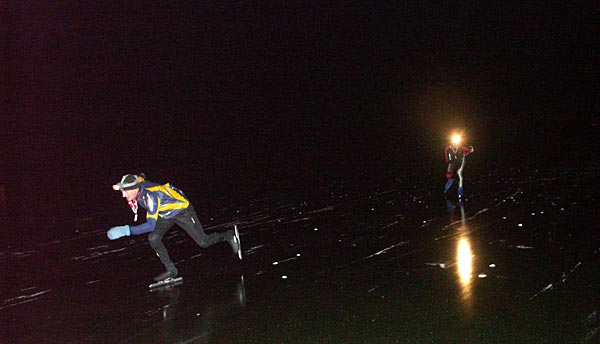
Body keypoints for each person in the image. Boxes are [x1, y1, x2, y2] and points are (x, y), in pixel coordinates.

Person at [108, 174, 241, 282]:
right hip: (165, 213)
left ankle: (228, 235)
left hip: (182, 210)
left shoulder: (150, 197)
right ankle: (171, 270)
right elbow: (140, 177)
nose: (123, 195)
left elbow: (150, 225)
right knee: (154, 238)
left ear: (135, 189)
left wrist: (126, 230)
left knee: (203, 242)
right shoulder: (138, 185)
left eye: (125, 191)